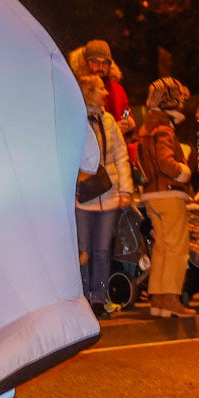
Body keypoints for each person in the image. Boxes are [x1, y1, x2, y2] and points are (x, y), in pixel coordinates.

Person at [75, 74, 132, 318]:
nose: (105, 93)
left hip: (108, 193)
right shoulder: (74, 119)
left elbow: (121, 155)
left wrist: (126, 189)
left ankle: (99, 298)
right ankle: (83, 298)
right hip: (83, 196)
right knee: (82, 250)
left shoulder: (108, 121)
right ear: (88, 92)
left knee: (101, 250)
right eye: (100, 89)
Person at [139, 78, 196, 318]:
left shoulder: (147, 127)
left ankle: (158, 299)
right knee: (176, 248)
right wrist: (183, 172)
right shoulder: (164, 128)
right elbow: (165, 162)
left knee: (162, 246)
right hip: (170, 192)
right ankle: (171, 298)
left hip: (153, 194)